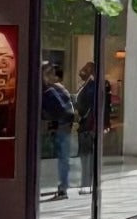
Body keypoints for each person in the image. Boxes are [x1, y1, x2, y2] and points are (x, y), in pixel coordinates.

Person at [74, 61, 111, 194]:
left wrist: (104, 124)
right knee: (88, 156)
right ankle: (90, 184)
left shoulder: (94, 86)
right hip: (89, 125)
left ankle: (87, 184)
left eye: (86, 69)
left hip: (89, 125)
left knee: (87, 156)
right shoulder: (89, 85)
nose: (82, 71)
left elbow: (98, 106)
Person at [41, 64, 74, 200]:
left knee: (63, 158)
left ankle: (63, 188)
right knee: (63, 158)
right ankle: (63, 187)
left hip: (61, 126)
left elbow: (60, 110)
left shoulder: (53, 90)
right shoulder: (60, 89)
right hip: (64, 126)